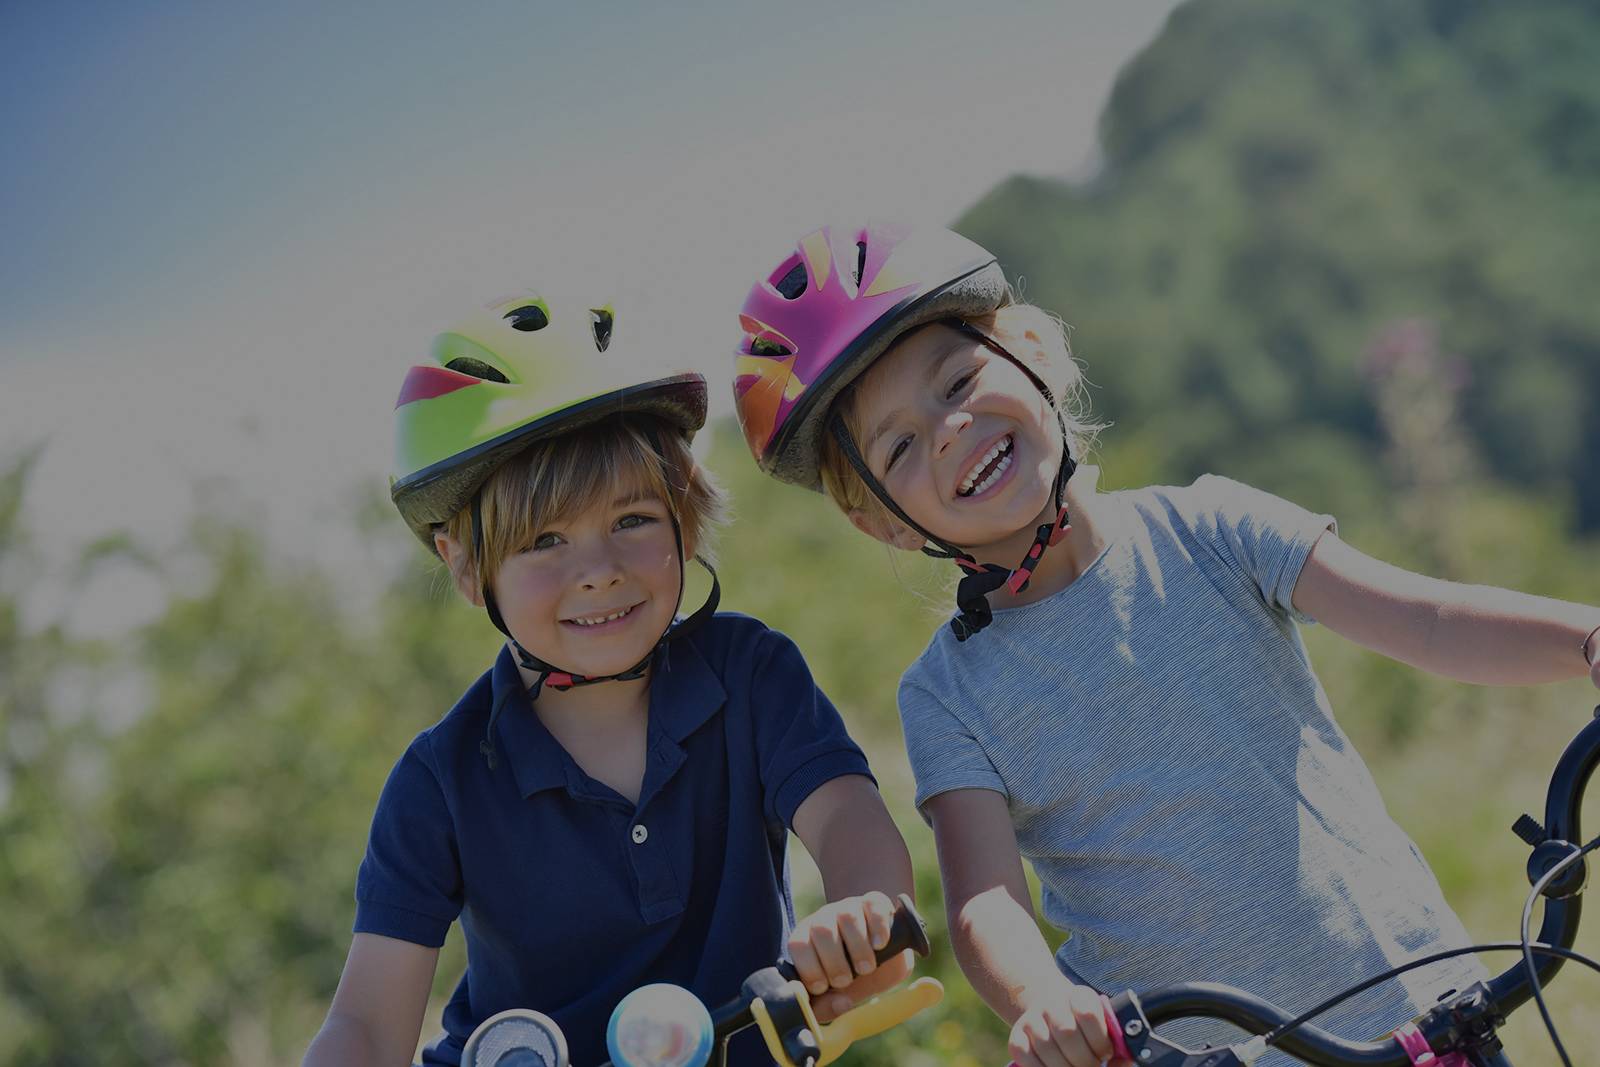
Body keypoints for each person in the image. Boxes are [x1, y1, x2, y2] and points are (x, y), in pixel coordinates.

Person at [730, 223, 1600, 1067]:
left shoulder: (1209, 527)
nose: (950, 428)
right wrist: (1044, 1004)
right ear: (878, 516)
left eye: (956, 381)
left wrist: (1587, 639)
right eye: (902, 445)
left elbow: (1428, 619)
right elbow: (985, 901)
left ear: (1031, 348)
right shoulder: (949, 693)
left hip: (1422, 1010)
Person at [304, 288, 915, 1067]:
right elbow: (364, 1025)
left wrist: (861, 912)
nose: (597, 572)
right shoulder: (443, 780)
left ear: (684, 517)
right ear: (465, 567)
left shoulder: (753, 677)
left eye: (632, 520)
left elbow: (847, 822)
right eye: (545, 539)